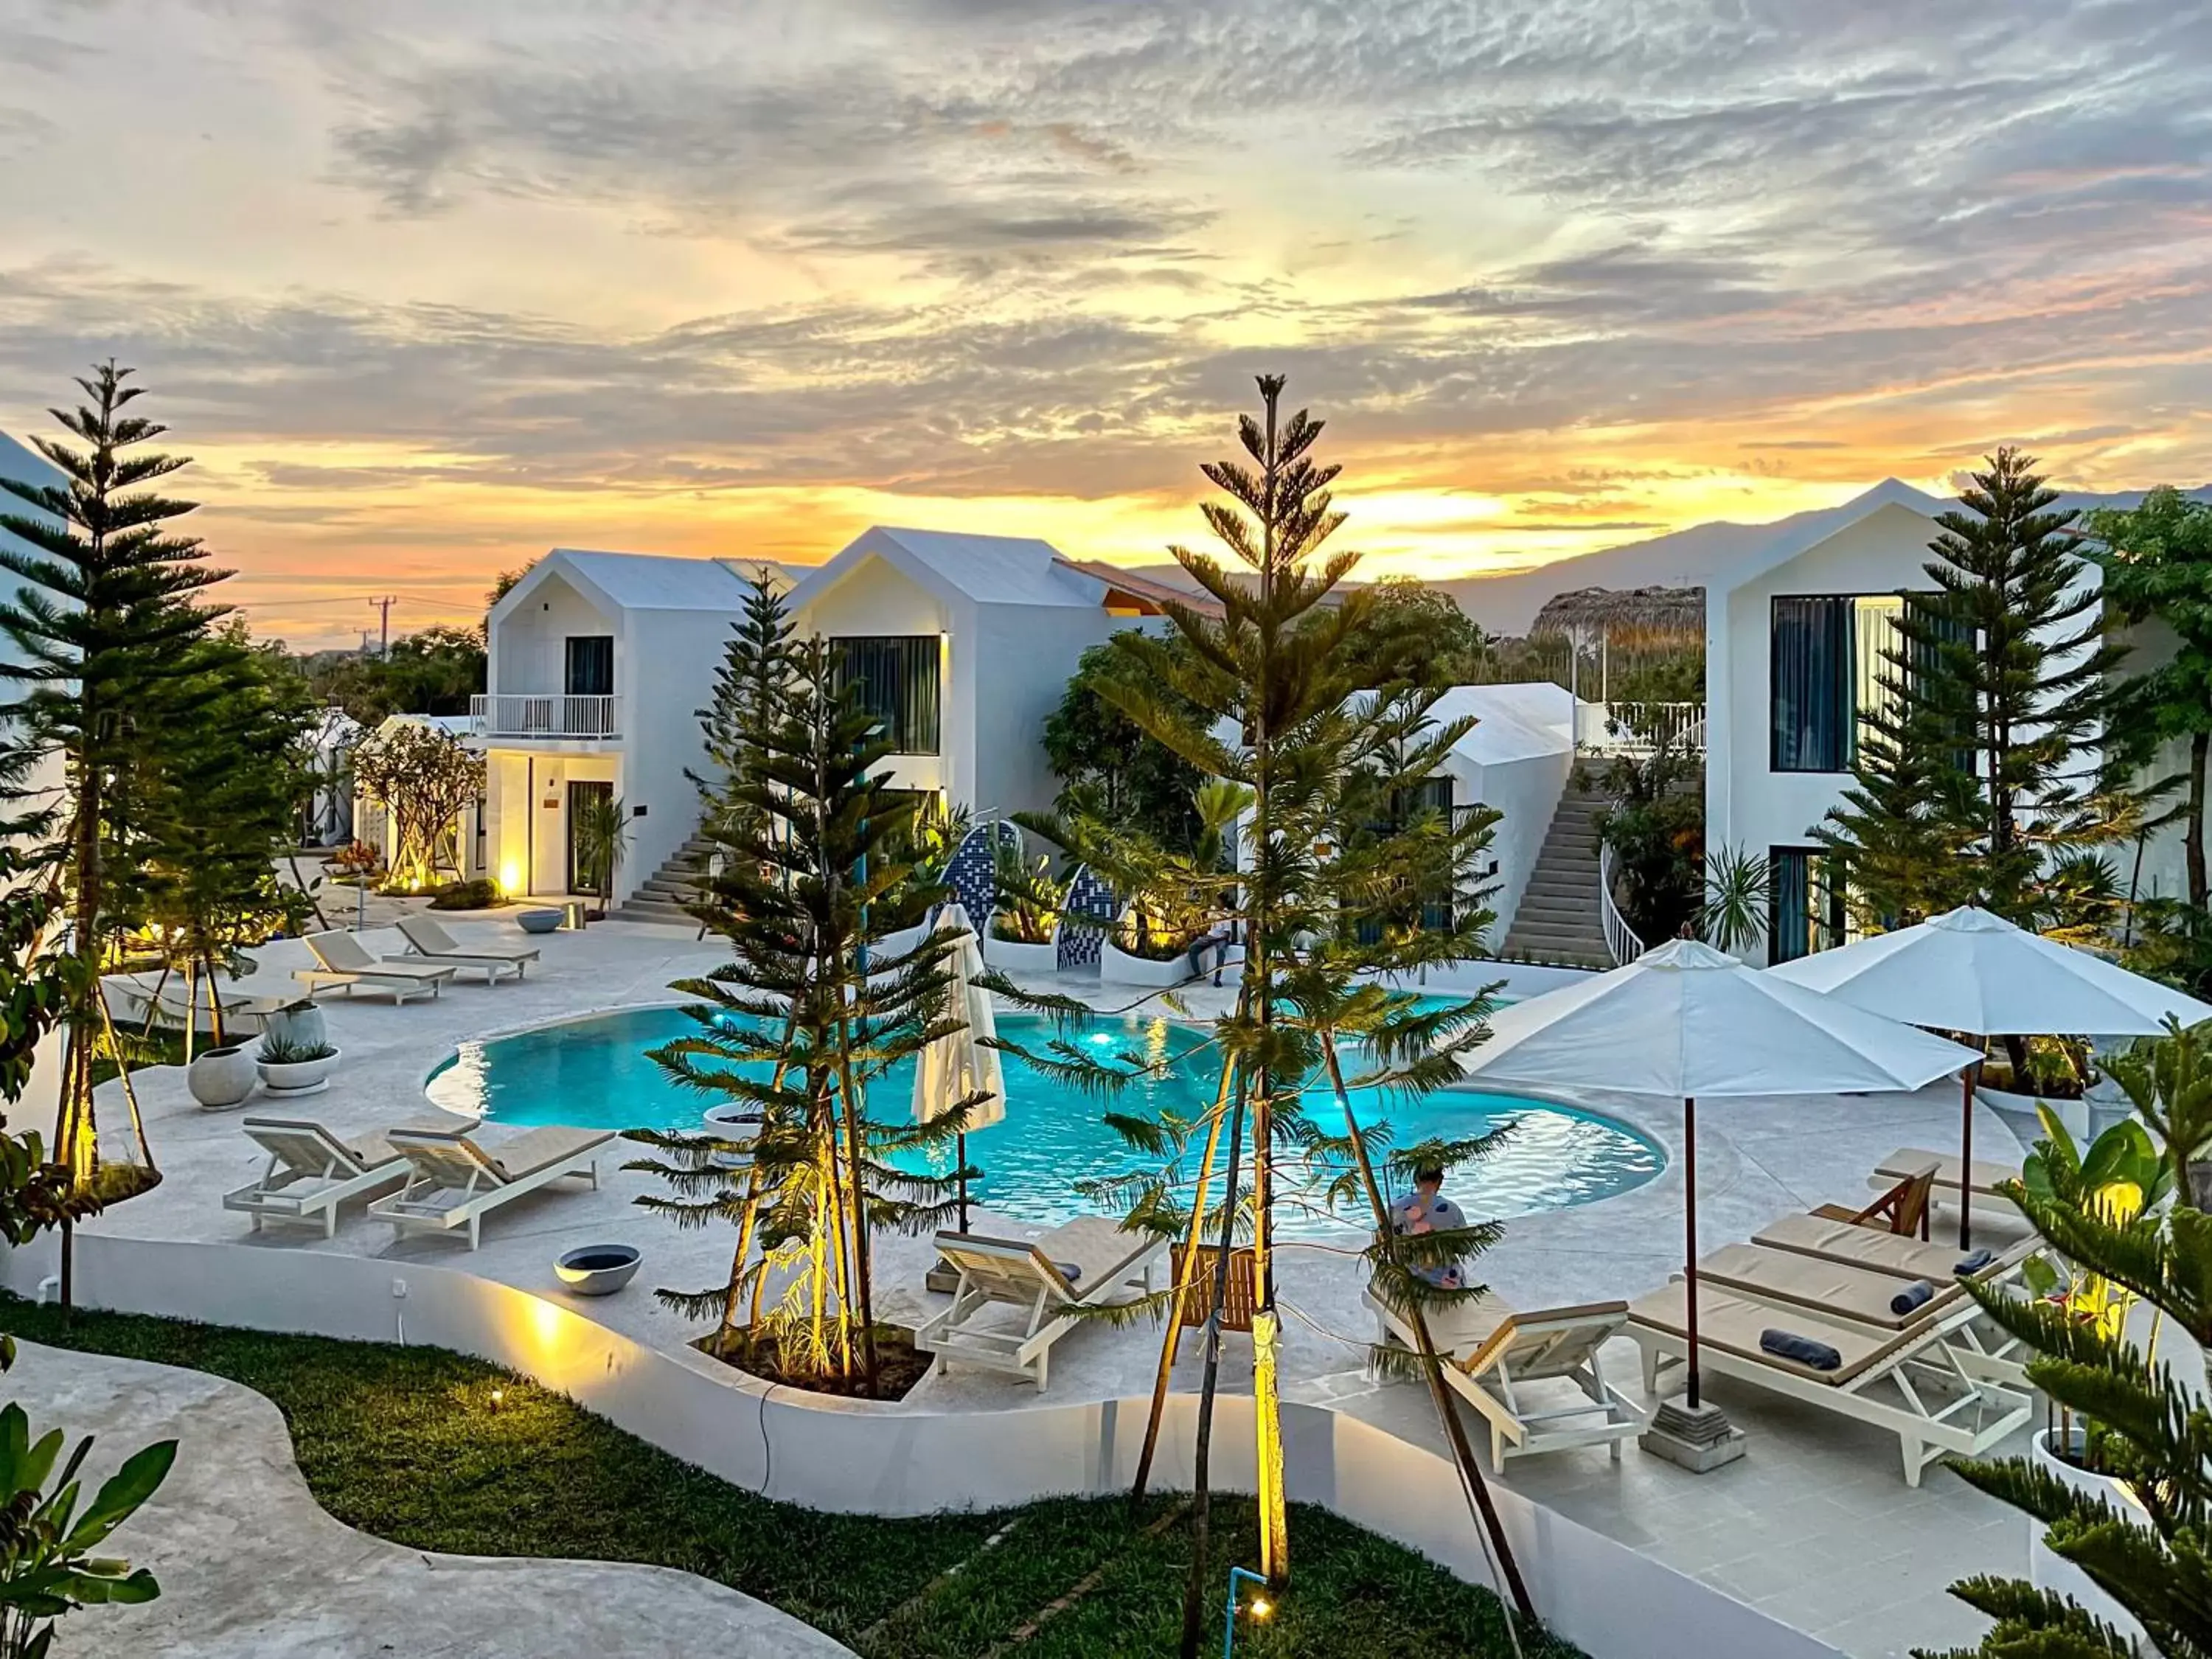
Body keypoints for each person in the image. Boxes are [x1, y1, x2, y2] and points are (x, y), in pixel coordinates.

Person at [1388, 1164, 1468, 1289]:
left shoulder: (1395, 1205)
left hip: (1408, 1279)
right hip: (1446, 1282)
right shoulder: (1452, 1209)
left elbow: (1385, 1240)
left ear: (1416, 1180)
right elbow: (1465, 1248)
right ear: (1440, 1181)